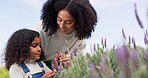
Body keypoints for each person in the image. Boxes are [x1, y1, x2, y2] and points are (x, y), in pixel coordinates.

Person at [34, 0, 97, 69]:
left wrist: (68, 62)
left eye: (68, 23)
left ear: (79, 21)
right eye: (59, 19)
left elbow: (75, 65)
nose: (61, 26)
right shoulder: (41, 29)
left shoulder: (80, 38)